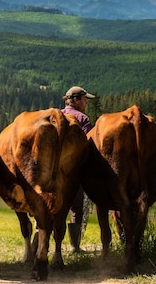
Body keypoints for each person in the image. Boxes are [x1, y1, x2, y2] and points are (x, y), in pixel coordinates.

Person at [61, 86, 95, 253]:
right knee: (76, 208)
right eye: (84, 99)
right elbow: (88, 145)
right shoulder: (82, 119)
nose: (86, 102)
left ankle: (39, 242)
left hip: (55, 171)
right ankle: (75, 246)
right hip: (74, 171)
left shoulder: (57, 115)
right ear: (74, 100)